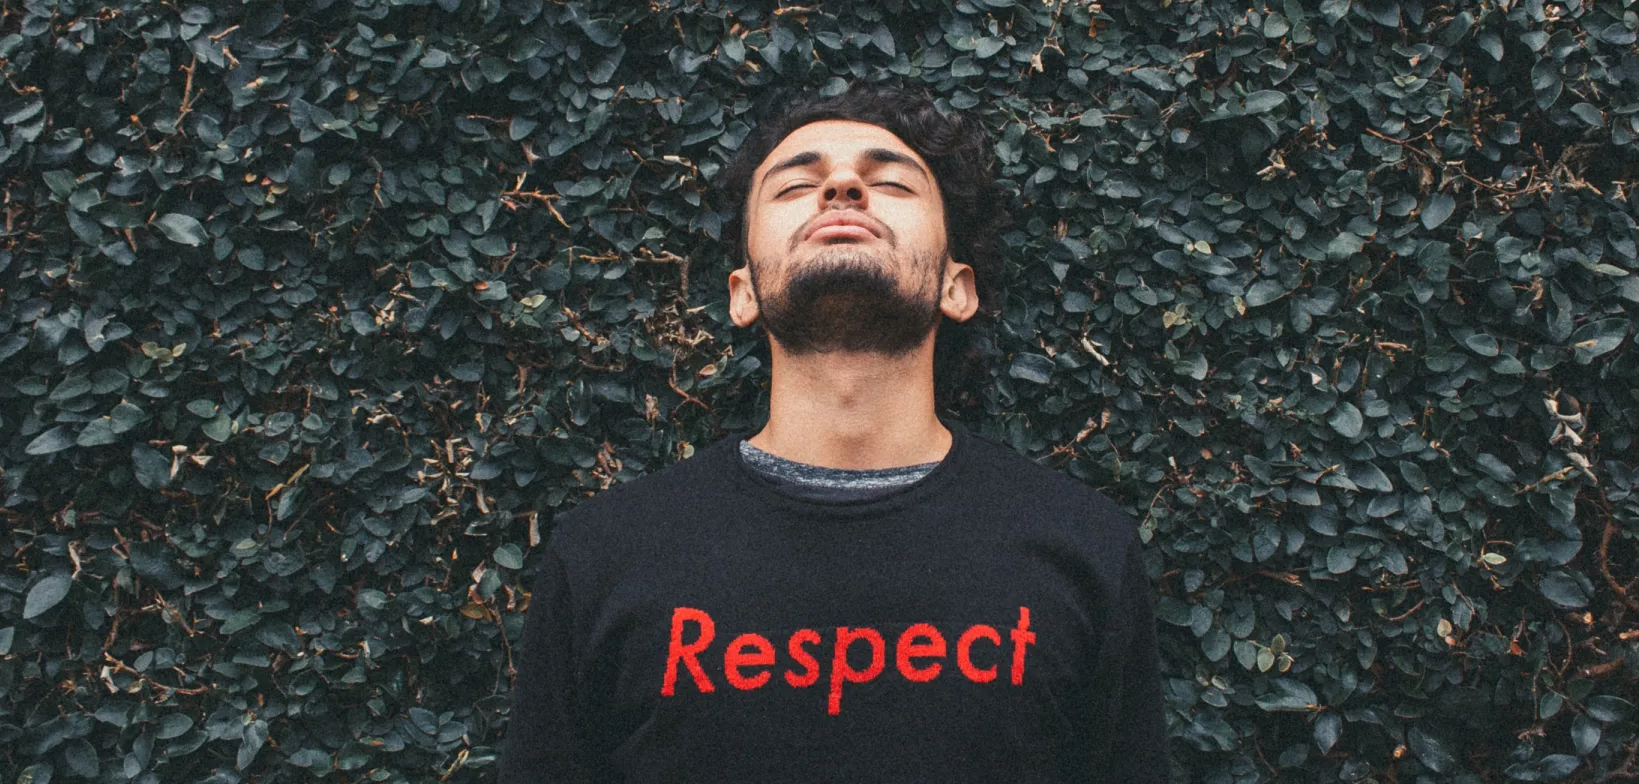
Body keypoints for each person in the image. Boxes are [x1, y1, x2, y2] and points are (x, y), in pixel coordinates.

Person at [497, 83, 1171, 782]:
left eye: (891, 183)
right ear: (743, 292)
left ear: (956, 285)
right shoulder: (604, 554)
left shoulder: (1084, 547)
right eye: (795, 185)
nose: (844, 186)